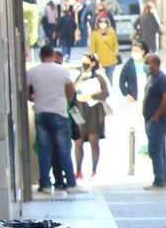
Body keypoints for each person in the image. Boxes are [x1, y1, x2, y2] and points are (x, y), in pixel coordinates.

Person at [25, 46, 82, 194]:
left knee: (44, 150)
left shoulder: (32, 72)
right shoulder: (63, 71)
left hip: (41, 113)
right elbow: (70, 92)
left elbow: (27, 93)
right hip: (59, 113)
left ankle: (45, 184)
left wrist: (36, 99)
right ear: (53, 55)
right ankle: (70, 183)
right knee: (64, 149)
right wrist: (62, 99)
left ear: (41, 56)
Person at [72, 53, 110, 180]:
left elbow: (106, 92)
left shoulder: (99, 76)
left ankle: (94, 170)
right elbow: (71, 93)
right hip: (78, 110)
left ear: (93, 63)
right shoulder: (78, 76)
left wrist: (92, 96)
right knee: (78, 141)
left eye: (86, 61)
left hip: (94, 110)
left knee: (94, 140)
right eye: (82, 61)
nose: (84, 64)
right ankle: (78, 171)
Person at [142, 52, 166, 190]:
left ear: (155, 64)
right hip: (151, 119)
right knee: (160, 149)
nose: (145, 65)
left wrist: (156, 115)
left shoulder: (162, 79)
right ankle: (162, 178)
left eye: (147, 62)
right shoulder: (151, 78)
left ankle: (159, 180)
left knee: (155, 150)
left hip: (159, 120)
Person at [120, 40, 148, 111]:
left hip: (148, 98)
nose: (135, 53)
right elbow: (121, 81)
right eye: (133, 51)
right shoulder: (129, 65)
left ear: (143, 52)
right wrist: (127, 94)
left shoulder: (148, 64)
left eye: (137, 51)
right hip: (135, 98)